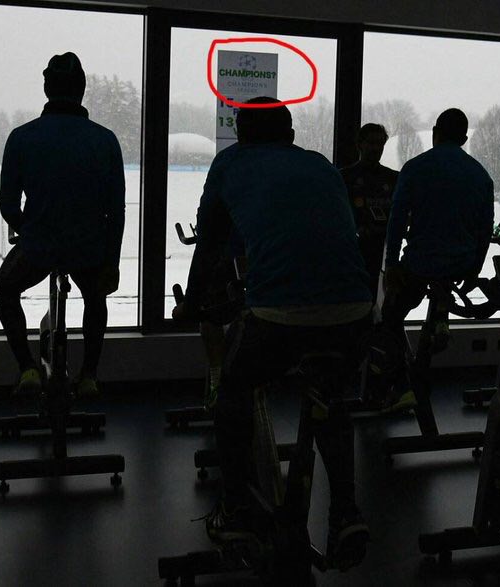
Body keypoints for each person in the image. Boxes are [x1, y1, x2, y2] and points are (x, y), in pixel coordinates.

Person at [172, 97, 372, 570]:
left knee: (233, 390)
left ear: (241, 137)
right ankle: (346, 511)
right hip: (355, 312)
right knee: (329, 398)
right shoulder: (321, 165)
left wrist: (193, 304)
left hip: (280, 318)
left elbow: (210, 245)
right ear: (292, 136)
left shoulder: (230, 163)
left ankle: (236, 509)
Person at [0, 52, 124, 396]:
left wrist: (31, 230)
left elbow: (8, 205)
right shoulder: (105, 140)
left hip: (38, 247)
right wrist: (111, 262)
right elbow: (116, 211)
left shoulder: (22, 137)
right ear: (81, 89)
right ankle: (89, 375)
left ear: (47, 89)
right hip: (88, 249)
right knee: (95, 298)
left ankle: (27, 369)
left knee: (6, 288)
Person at [378, 108, 495, 412]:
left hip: (421, 263)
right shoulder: (480, 175)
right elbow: (485, 229)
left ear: (435, 133)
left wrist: (391, 264)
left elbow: (396, 220)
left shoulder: (415, 168)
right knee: (438, 293)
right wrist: (474, 269)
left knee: (390, 316)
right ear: (464, 139)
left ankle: (402, 383)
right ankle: (440, 317)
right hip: (460, 263)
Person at [339, 123, 399, 302]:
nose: (376, 148)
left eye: (380, 143)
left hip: (384, 251)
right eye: (371, 143)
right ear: (359, 144)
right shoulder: (344, 178)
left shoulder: (394, 178)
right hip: (352, 253)